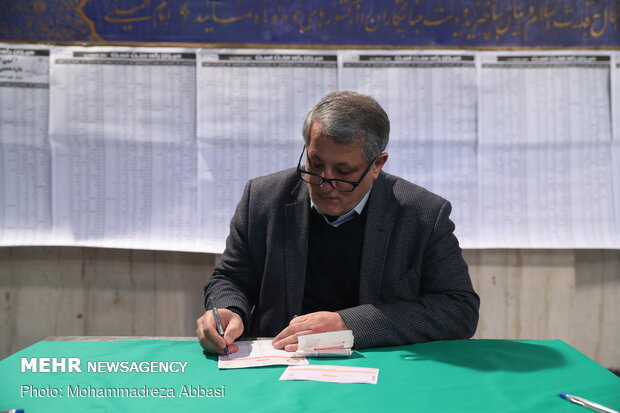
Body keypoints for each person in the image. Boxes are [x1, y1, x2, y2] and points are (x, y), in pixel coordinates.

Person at [196, 91, 479, 354]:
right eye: (315, 164)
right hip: (280, 359)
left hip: (377, 361)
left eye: (344, 172)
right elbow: (231, 278)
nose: (325, 183)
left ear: (377, 165)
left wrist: (349, 323)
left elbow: (458, 309)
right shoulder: (262, 198)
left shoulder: (423, 214)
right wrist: (227, 309)